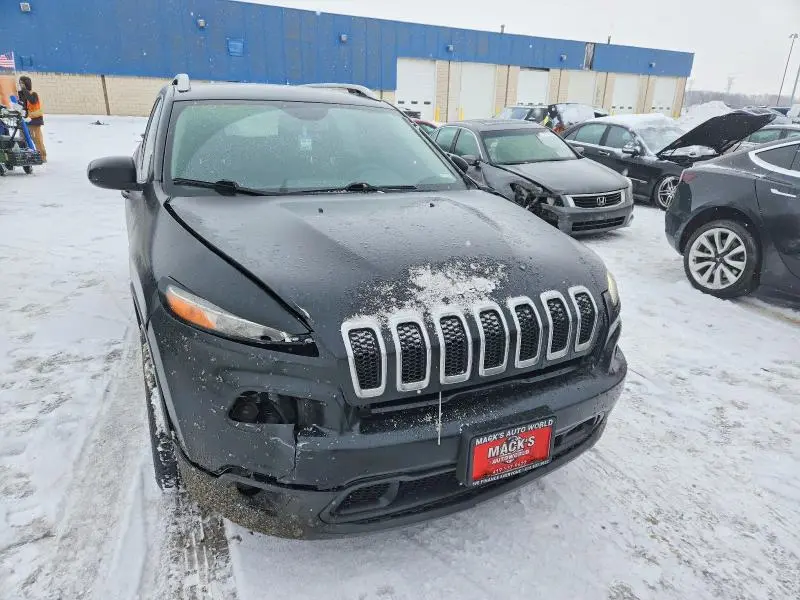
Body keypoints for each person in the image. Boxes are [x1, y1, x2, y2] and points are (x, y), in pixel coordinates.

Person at [17, 76, 46, 162]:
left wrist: (24, 90)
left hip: (34, 120)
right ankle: (27, 155)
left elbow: (32, 100)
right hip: (24, 120)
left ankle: (42, 157)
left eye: (22, 83)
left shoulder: (33, 94)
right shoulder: (21, 94)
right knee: (23, 139)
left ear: (27, 84)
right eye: (20, 83)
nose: (21, 85)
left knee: (37, 139)